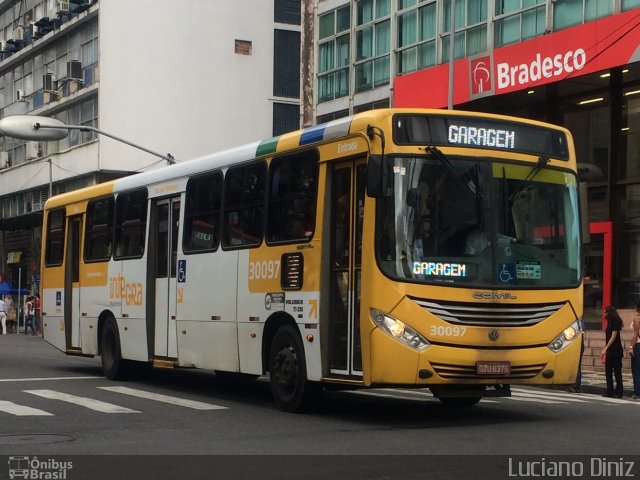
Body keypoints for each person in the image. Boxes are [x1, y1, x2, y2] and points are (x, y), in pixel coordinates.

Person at [602, 305, 624, 398]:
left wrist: (605, 348)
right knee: (608, 371)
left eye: (605, 312)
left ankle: (619, 392)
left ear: (609, 312)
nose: (604, 313)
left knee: (617, 371)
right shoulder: (609, 321)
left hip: (615, 350)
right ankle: (609, 391)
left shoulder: (615, 321)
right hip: (610, 350)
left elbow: (613, 336)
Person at [569, 317, 587, 393]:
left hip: (577, 346)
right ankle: (574, 384)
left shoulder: (579, 321)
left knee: (576, 366)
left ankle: (576, 385)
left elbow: (582, 332)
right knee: (574, 366)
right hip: (574, 345)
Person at [629, 302, 640, 400]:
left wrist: (631, 347)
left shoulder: (637, 318)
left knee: (636, 369)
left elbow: (636, 333)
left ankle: (637, 392)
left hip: (638, 345)